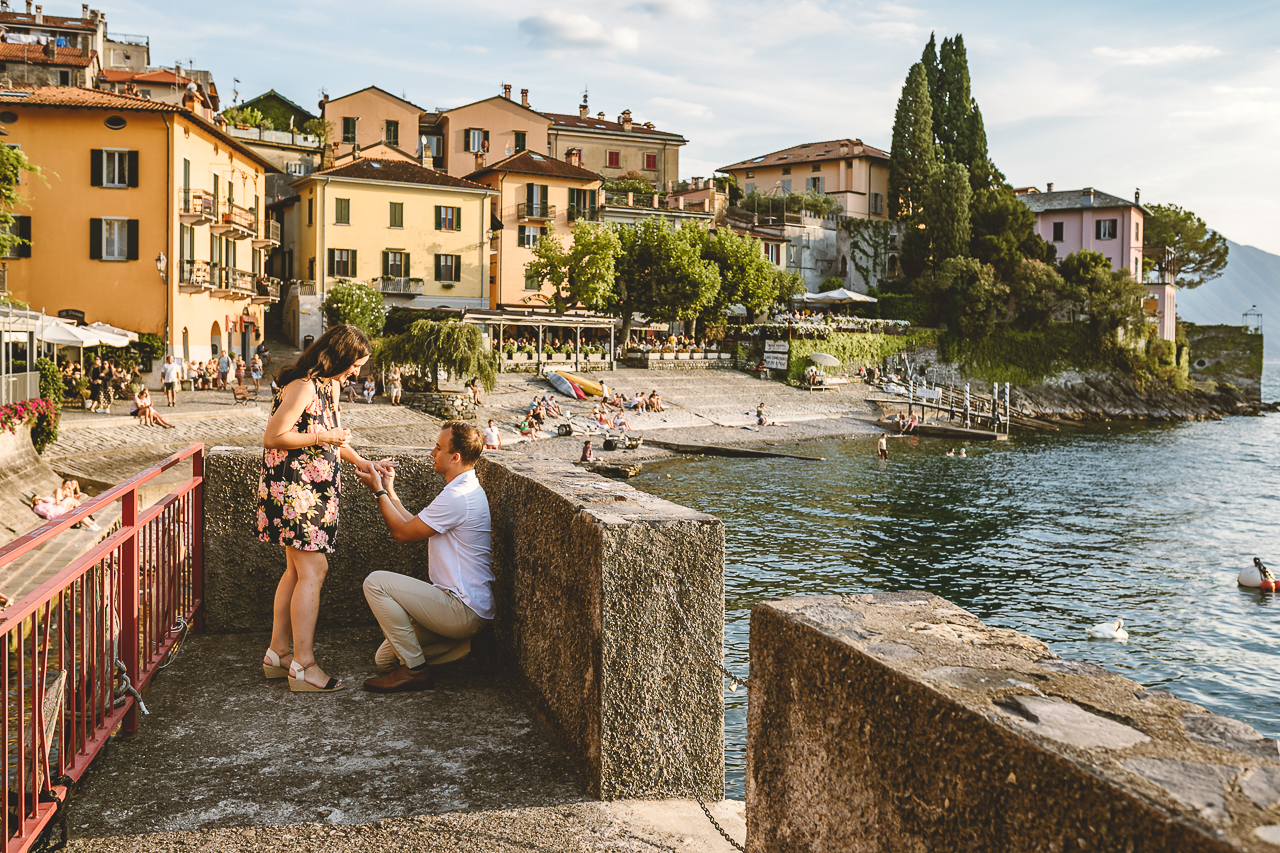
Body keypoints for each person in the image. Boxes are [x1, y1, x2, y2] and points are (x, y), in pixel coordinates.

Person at [257, 324, 390, 694]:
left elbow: (333, 438)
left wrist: (364, 462)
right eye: (354, 365)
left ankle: (278, 654)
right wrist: (323, 438)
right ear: (339, 356)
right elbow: (274, 436)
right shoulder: (304, 386)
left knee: (296, 571)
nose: (357, 373)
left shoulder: (329, 387)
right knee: (315, 568)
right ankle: (303, 666)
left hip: (313, 492)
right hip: (296, 492)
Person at [355, 422, 493, 692]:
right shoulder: (464, 488)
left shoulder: (458, 496)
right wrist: (389, 490)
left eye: (438, 448)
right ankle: (470, 644)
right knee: (385, 659)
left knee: (375, 582)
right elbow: (413, 524)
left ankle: (416, 671)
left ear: (456, 457)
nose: (432, 452)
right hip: (465, 608)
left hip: (461, 609)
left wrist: (378, 492)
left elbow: (403, 534)